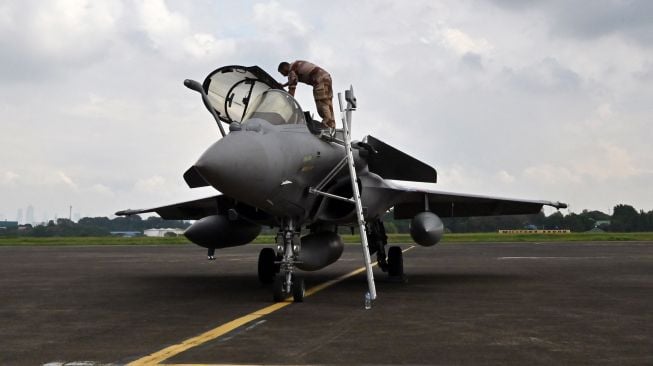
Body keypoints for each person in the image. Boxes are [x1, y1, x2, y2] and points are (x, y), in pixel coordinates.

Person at [278, 60, 335, 129]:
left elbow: (292, 89)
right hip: (326, 78)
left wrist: (288, 102)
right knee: (327, 102)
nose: (283, 75)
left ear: (284, 68)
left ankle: (326, 124)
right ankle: (331, 125)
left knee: (321, 101)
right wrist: (284, 85)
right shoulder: (295, 65)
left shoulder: (291, 71)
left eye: (282, 73)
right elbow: (293, 80)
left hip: (319, 81)